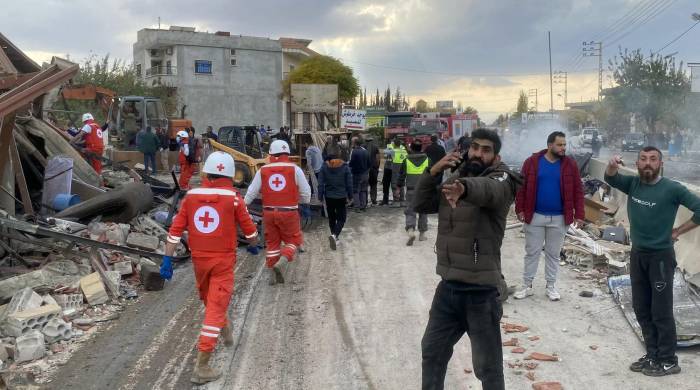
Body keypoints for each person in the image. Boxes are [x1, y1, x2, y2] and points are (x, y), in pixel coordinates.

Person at [412, 128, 522, 390]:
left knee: (488, 368)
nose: (478, 153)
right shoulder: (454, 178)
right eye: (474, 147)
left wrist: (464, 187)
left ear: (495, 157)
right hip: (448, 289)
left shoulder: (503, 179)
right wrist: (433, 172)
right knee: (432, 352)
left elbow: (488, 191)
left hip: (481, 293)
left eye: (486, 150)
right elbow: (420, 203)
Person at [160, 151, 259, 384]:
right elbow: (250, 230)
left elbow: (175, 231)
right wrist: (254, 244)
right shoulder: (233, 198)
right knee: (215, 308)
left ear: (208, 173)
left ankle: (226, 334)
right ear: (228, 173)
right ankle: (202, 366)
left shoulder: (191, 196)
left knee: (210, 300)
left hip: (199, 261)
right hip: (223, 261)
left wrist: (167, 259)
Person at [605, 147, 700, 376]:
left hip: (660, 258)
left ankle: (668, 360)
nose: (648, 163)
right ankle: (653, 354)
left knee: (661, 311)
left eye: (653, 159)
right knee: (641, 308)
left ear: (661, 164)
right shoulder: (633, 184)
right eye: (643, 159)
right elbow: (610, 177)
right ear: (637, 163)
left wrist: (678, 230)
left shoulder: (672, 189)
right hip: (638, 255)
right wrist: (612, 164)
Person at [514, 131, 585, 301]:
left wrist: (580, 214)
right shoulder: (532, 163)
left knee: (553, 254)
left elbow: (578, 191)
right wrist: (520, 209)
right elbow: (521, 188)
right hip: (535, 216)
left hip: (560, 218)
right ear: (549, 145)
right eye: (560, 145)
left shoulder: (570, 164)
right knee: (532, 252)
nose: (563, 148)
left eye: (564, 145)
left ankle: (551, 286)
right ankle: (527, 286)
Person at [244, 140, 311, 284]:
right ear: (287, 153)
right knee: (294, 240)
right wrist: (303, 201)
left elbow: (251, 192)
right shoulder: (295, 169)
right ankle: (284, 259)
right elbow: (306, 193)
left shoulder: (263, 170)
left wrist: (243, 207)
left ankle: (272, 273)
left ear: (271, 154)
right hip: (289, 212)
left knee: (272, 243)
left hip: (268, 213)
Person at [318, 153, 353, 250]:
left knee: (332, 218)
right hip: (341, 197)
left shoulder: (324, 167)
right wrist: (350, 196)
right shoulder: (345, 167)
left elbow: (320, 183)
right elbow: (349, 184)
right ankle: (335, 235)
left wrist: (320, 197)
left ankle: (334, 237)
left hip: (329, 197)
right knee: (342, 218)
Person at [398, 140, 430, 245]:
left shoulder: (406, 160)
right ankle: (422, 235)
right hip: (424, 190)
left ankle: (411, 231)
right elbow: (433, 174)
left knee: (410, 211)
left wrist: (399, 187)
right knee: (423, 211)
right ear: (421, 148)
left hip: (411, 190)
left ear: (411, 148)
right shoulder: (428, 160)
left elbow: (401, 176)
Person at [382, 137, 406, 206]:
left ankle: (396, 201)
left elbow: (384, 152)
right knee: (401, 184)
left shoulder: (393, 151)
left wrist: (390, 146)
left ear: (394, 144)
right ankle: (402, 200)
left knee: (394, 184)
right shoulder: (404, 151)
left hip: (395, 168)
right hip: (402, 168)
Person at [349, 137, 370, 212]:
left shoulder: (354, 152)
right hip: (365, 174)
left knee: (356, 190)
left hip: (357, 174)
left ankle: (357, 207)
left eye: (352, 142)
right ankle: (363, 206)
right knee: (363, 190)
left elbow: (351, 164)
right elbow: (369, 164)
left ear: (354, 143)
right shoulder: (366, 151)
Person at [364, 136, 381, 205]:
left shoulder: (363, 147)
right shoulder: (375, 147)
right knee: (373, 185)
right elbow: (378, 158)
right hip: (373, 169)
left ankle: (365, 200)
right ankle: (373, 199)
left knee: (364, 186)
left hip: (365, 169)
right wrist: (377, 167)